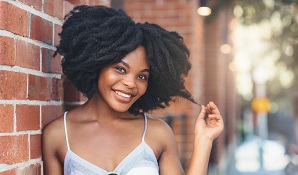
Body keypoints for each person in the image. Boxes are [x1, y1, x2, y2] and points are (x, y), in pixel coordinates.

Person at [42, 5, 224, 175]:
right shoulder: (58, 135)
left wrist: (204, 140)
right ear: (97, 63)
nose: (131, 84)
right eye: (121, 69)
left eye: (142, 76)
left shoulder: (157, 133)